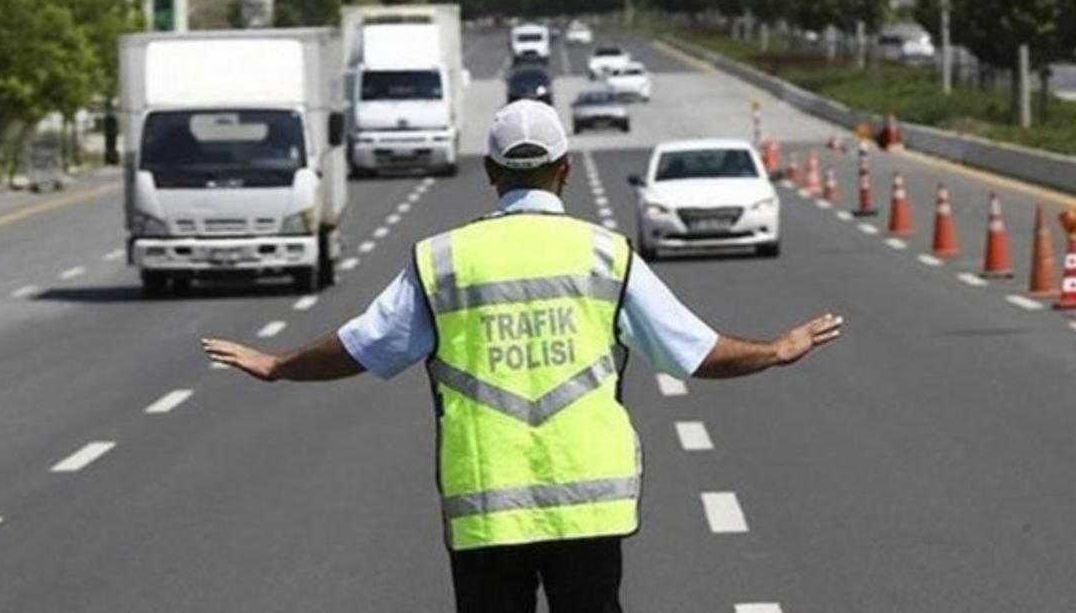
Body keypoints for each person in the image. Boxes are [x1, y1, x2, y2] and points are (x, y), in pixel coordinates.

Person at [202, 100, 843, 613]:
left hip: (486, 504)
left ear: (490, 172)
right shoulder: (604, 254)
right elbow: (695, 352)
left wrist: (279, 365)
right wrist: (776, 350)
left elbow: (363, 346)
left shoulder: (444, 260)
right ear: (564, 170)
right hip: (589, 505)